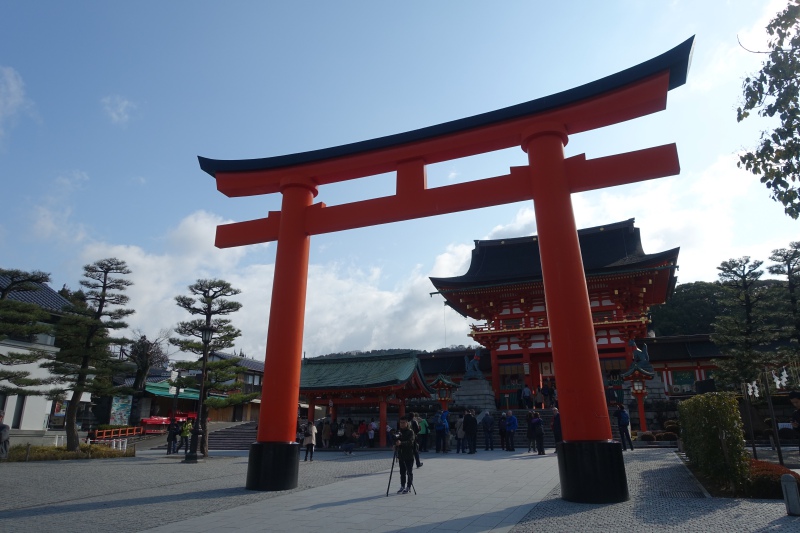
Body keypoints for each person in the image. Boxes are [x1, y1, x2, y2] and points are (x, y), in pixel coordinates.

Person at [394, 417, 416, 494]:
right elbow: (396, 441)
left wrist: (401, 443)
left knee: (409, 472)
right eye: (401, 423)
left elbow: (410, 442)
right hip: (401, 455)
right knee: (402, 472)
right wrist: (395, 445)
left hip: (409, 454)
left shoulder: (410, 432)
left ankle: (408, 486)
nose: (402, 424)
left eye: (403, 422)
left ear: (407, 423)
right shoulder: (398, 432)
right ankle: (402, 486)